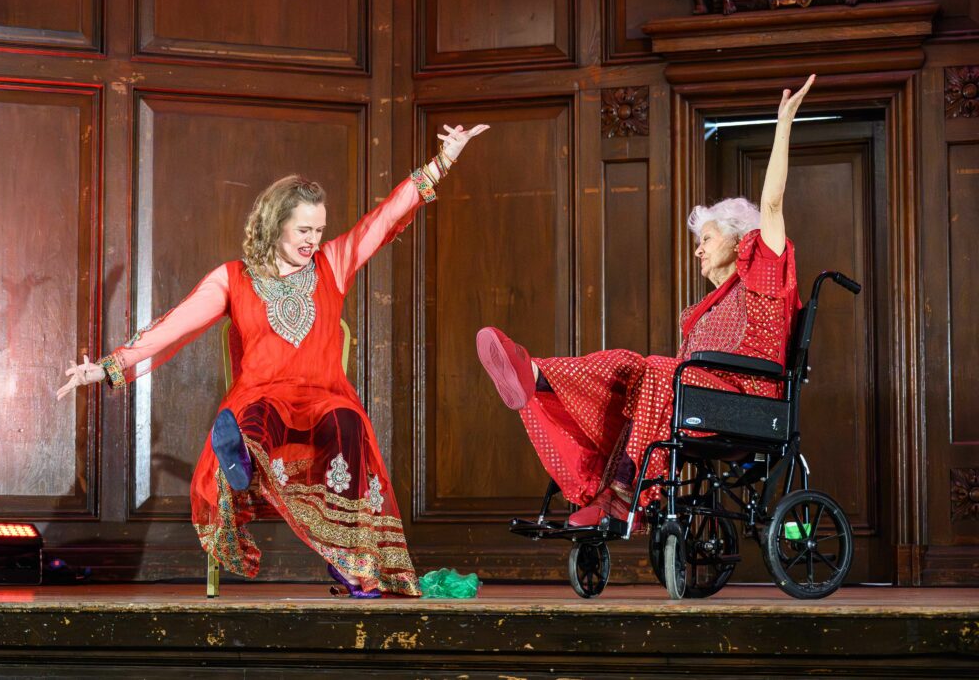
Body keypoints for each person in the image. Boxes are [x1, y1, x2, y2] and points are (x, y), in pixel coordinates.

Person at [58, 123, 489, 597]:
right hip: (265, 399)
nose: (312, 238)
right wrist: (105, 367)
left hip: (323, 399)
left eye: (319, 229)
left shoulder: (333, 262)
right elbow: (174, 326)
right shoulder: (233, 278)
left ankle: (347, 557)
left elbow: (384, 219)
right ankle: (240, 461)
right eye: (304, 229)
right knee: (254, 419)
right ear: (275, 224)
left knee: (347, 422)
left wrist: (443, 160)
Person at [477, 76, 815, 527]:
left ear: (739, 242)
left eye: (707, 239)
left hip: (748, 402)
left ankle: (622, 495)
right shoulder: (708, 310)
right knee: (626, 363)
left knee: (657, 369)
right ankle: (534, 374)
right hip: (699, 396)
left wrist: (784, 125)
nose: (698, 249)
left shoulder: (764, 279)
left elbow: (771, 205)